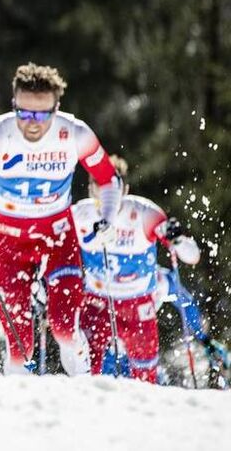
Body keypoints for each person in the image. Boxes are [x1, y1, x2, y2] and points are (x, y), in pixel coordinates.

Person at [0, 63, 122, 375]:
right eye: (24, 113)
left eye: (41, 115)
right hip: (10, 242)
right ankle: (21, 410)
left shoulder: (74, 133)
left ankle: (86, 387)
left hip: (59, 238)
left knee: (64, 328)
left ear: (56, 108)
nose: (32, 124)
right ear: (14, 105)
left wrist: (107, 219)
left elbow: (108, 179)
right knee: (18, 342)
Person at [72, 155, 201, 383]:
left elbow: (192, 256)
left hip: (138, 303)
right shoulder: (80, 215)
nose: (106, 192)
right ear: (90, 188)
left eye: (113, 185)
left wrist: (178, 239)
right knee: (87, 375)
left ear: (126, 188)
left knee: (145, 378)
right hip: (98, 302)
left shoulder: (144, 213)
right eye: (99, 184)